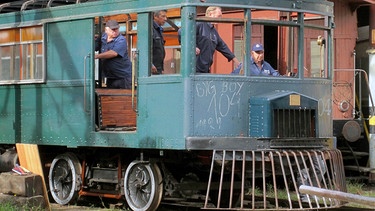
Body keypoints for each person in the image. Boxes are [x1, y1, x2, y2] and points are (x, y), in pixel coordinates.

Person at [194, 6, 241, 73]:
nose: (220, 19)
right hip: (194, 69)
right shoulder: (199, 23)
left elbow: (222, 46)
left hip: (205, 69)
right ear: (210, 14)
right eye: (218, 16)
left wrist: (235, 60)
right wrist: (193, 46)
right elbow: (182, 32)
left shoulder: (214, 31)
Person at [95, 20, 132, 89]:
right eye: (113, 29)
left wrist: (96, 56)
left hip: (123, 77)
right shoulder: (102, 38)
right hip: (110, 77)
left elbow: (113, 53)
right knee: (110, 98)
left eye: (117, 29)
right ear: (106, 30)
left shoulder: (121, 40)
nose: (115, 31)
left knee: (124, 98)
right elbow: (93, 46)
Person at [152, 10, 167, 74]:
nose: (165, 19)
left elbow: (160, 50)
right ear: (155, 16)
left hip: (158, 68)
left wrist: (162, 68)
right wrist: (150, 65)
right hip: (152, 69)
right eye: (163, 16)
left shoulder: (159, 30)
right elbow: (145, 49)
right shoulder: (150, 29)